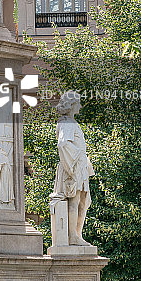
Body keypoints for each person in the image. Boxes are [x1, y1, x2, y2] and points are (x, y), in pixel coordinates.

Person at [51, 91, 94, 246]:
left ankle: (77, 235)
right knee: (74, 201)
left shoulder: (69, 122)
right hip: (73, 166)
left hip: (78, 166)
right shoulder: (67, 123)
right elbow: (63, 144)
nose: (80, 106)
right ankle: (72, 236)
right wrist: (73, 163)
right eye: (78, 103)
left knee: (83, 201)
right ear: (71, 105)